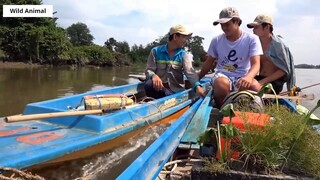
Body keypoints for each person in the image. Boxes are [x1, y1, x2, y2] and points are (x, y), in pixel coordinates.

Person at [198, 7, 263, 108]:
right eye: (222, 25)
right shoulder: (217, 40)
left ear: (236, 22)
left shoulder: (252, 39)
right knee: (221, 85)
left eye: (227, 24)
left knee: (255, 87)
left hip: (243, 76)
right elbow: (208, 63)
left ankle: (246, 113)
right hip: (223, 75)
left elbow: (256, 64)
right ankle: (222, 111)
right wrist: (196, 80)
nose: (224, 28)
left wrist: (249, 77)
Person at [144, 24, 205, 99]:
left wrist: (197, 86)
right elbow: (149, 70)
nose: (185, 41)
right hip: (159, 88)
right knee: (148, 85)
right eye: (184, 37)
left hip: (175, 92)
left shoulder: (184, 55)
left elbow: (190, 72)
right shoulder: (155, 51)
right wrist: (153, 76)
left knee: (165, 94)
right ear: (175, 37)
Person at [247, 14, 296, 94]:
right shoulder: (255, 43)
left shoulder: (278, 44)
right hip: (258, 78)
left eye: (256, 27)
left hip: (274, 82)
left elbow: (284, 70)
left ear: (266, 27)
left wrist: (261, 82)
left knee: (254, 89)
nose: (253, 30)